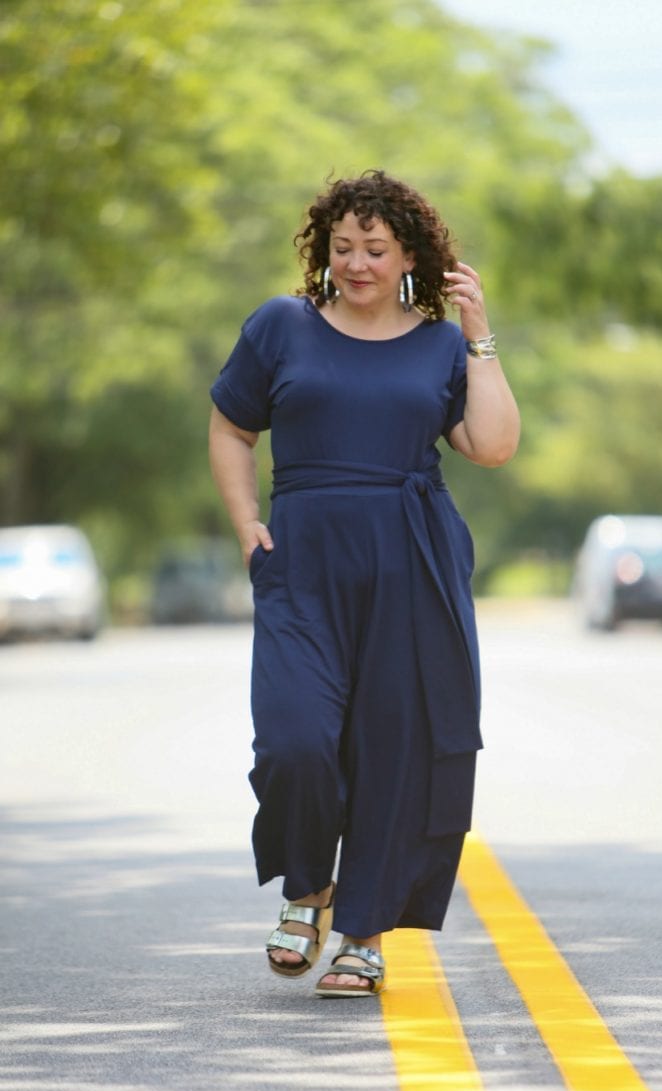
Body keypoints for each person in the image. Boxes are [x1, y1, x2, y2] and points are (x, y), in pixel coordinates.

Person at [208, 170, 520, 998]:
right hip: (303, 561)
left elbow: (489, 445)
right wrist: (247, 524)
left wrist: (478, 331)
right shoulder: (283, 326)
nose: (356, 263)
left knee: (395, 747)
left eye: (375, 249)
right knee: (293, 740)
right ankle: (307, 889)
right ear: (323, 250)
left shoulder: (439, 345)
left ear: (410, 254)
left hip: (411, 561)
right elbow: (233, 426)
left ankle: (363, 933)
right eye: (342, 246)